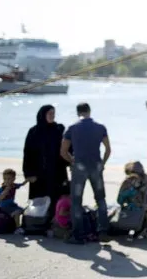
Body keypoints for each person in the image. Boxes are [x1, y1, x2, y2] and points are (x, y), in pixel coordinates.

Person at [61, 102, 111, 244]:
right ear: (89, 111)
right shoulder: (100, 127)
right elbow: (108, 149)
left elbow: (63, 151)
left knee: (76, 201)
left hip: (80, 167)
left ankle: (78, 234)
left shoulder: (72, 128)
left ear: (78, 113)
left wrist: (72, 161)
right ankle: (103, 231)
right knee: (100, 199)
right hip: (96, 166)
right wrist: (103, 163)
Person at [22, 105, 69, 213]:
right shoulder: (34, 131)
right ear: (43, 115)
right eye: (50, 113)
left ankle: (55, 224)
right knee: (39, 201)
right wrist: (28, 174)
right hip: (38, 174)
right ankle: (38, 224)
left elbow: (67, 148)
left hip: (57, 172)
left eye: (53, 113)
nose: (52, 116)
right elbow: (27, 153)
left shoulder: (59, 129)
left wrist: (71, 161)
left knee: (57, 200)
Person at [0, 169, 28, 234]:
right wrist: (6, 190)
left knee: (25, 211)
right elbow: (1, 198)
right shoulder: (1, 189)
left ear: (13, 179)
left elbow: (22, 184)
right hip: (4, 207)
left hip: (12, 205)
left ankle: (23, 225)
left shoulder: (13, 185)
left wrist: (27, 180)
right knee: (17, 212)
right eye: (5, 179)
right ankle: (18, 228)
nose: (7, 181)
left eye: (9, 179)